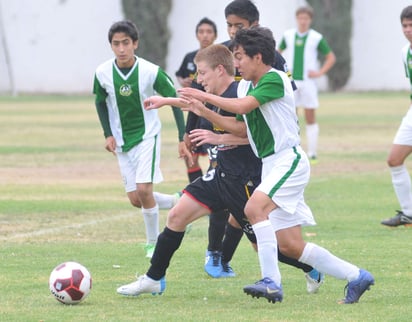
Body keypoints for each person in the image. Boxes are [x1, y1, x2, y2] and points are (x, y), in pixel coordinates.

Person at [178, 27, 374, 305]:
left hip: (288, 160)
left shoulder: (275, 79)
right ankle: (357, 276)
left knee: (253, 208)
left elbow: (243, 107)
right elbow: (238, 125)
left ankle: (271, 282)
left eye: (240, 57)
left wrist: (203, 96)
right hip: (271, 165)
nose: (236, 63)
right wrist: (203, 110)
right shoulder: (246, 84)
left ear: (258, 57)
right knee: (290, 245)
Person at [116, 43, 324, 298]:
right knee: (176, 217)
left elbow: (250, 134)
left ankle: (310, 267)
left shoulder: (239, 95)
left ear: (219, 70)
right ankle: (153, 278)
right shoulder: (212, 93)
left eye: (202, 73)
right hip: (219, 175)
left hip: (245, 182)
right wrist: (165, 101)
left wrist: (218, 138)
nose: (199, 79)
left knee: (269, 247)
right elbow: (193, 101)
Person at [93, 20, 186, 259]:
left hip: (147, 137)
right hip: (123, 144)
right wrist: (108, 134)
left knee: (145, 190)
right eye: (116, 44)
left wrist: (181, 136)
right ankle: (179, 202)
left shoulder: (150, 71)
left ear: (135, 43)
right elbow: (100, 102)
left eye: (126, 43)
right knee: (137, 199)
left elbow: (174, 99)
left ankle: (153, 244)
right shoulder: (102, 72)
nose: (121, 48)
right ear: (111, 46)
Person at [278, 5, 336, 163]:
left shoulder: (316, 37)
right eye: (300, 18)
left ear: (310, 20)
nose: (303, 21)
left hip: (309, 82)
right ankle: (293, 150)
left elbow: (331, 57)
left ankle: (312, 152)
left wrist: (319, 72)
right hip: (291, 81)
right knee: (291, 115)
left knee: (310, 116)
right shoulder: (288, 35)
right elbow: (278, 53)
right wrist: (282, 72)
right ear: (296, 19)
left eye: (306, 18)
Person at [176, 17, 218, 183]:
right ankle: (197, 186)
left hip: (213, 115)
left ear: (215, 35)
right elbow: (180, 74)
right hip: (194, 113)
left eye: (209, 32)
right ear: (196, 35)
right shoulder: (190, 57)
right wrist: (183, 81)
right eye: (201, 32)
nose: (205, 35)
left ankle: (209, 188)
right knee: (189, 155)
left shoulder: (220, 57)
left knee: (214, 156)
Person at [381, 6, 412, 227]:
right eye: (405, 25)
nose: (408, 30)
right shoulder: (405, 52)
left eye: (411, 25)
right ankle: (409, 213)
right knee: (394, 159)